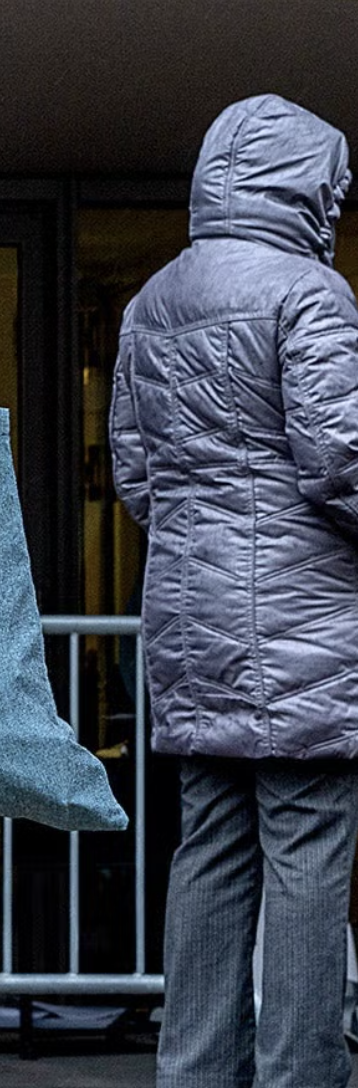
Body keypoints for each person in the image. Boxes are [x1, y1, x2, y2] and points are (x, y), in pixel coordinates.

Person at [110, 94, 358, 1088]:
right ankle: (303, 1072)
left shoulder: (151, 302)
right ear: (303, 186)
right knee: (308, 849)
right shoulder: (311, 295)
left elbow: (136, 477)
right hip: (305, 628)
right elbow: (344, 456)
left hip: (190, 624)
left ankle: (196, 1069)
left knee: (210, 848)